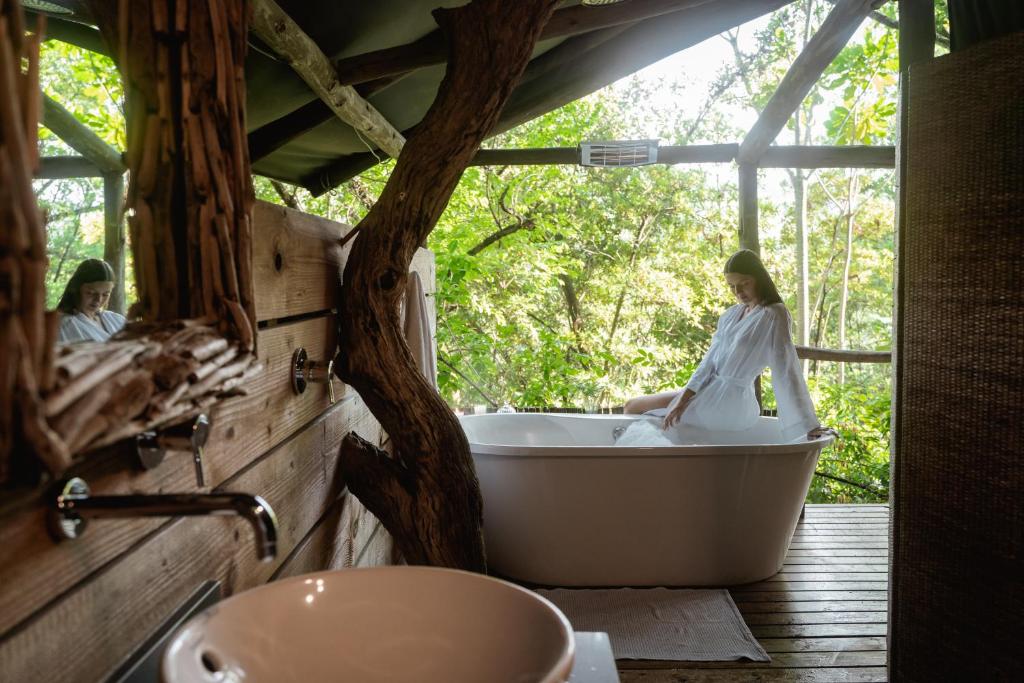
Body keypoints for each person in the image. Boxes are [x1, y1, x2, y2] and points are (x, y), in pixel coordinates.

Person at [624, 249, 827, 442]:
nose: (738, 291)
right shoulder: (731, 315)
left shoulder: (773, 315)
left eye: (744, 283)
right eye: (731, 286)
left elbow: (786, 369)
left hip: (730, 402)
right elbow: (708, 363)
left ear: (759, 279)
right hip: (710, 390)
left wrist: (807, 424)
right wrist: (683, 397)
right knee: (632, 407)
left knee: (638, 410)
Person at [56, 258, 127, 344]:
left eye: (105, 294)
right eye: (91, 293)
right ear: (76, 289)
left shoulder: (117, 320)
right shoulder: (64, 326)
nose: (98, 299)